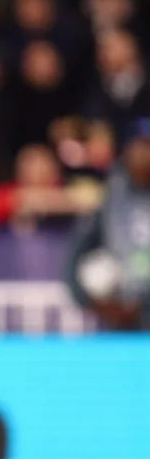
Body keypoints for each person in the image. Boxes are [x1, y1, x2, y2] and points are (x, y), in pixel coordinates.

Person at [65, 119, 150, 331]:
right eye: (140, 147)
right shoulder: (110, 196)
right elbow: (76, 253)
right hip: (121, 311)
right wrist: (89, 300)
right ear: (128, 150)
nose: (145, 155)